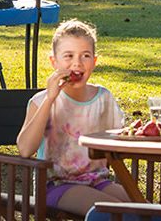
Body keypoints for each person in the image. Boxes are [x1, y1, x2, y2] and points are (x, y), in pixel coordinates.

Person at [17, 19, 128, 216]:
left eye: (85, 56)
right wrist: (50, 99)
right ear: (54, 62)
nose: (77, 63)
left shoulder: (104, 98)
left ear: (94, 61)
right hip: (55, 185)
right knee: (112, 212)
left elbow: (119, 142)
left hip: (98, 180)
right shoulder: (41, 100)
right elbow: (25, 150)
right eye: (68, 56)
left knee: (144, 207)